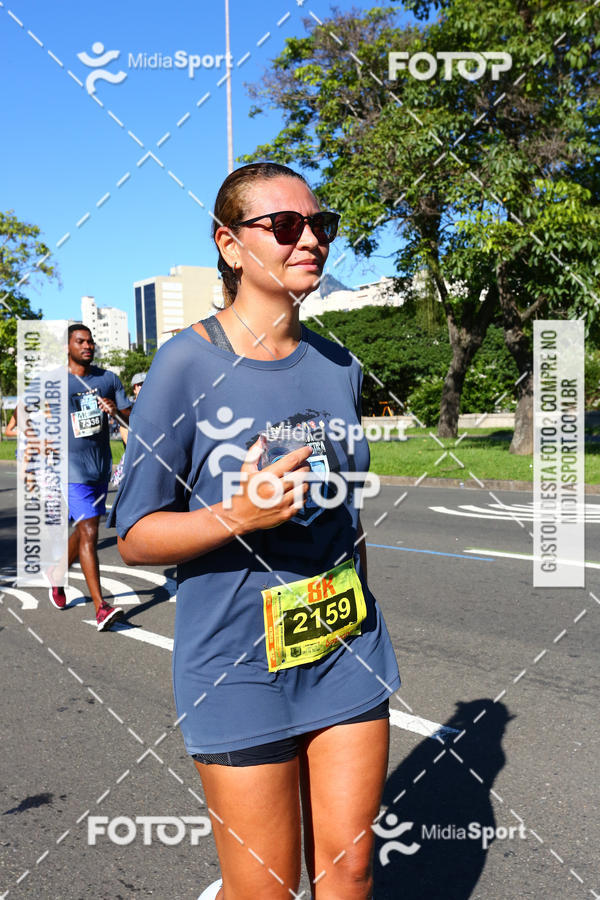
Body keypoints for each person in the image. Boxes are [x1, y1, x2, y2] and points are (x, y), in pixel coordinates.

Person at [110, 162, 400, 899]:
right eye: (285, 226)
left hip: (343, 645)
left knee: (352, 870)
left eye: (320, 225)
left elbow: (348, 510)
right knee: (265, 888)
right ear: (230, 244)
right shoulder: (184, 364)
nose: (311, 240)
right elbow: (136, 533)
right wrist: (235, 516)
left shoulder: (338, 364)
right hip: (234, 667)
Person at [48, 324, 131, 632]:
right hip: (71, 468)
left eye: (90, 341)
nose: (87, 346)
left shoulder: (107, 379)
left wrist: (115, 412)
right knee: (90, 531)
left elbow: (129, 418)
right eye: (80, 341)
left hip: (99, 467)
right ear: (67, 345)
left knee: (86, 527)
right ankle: (101, 606)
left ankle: (57, 575)